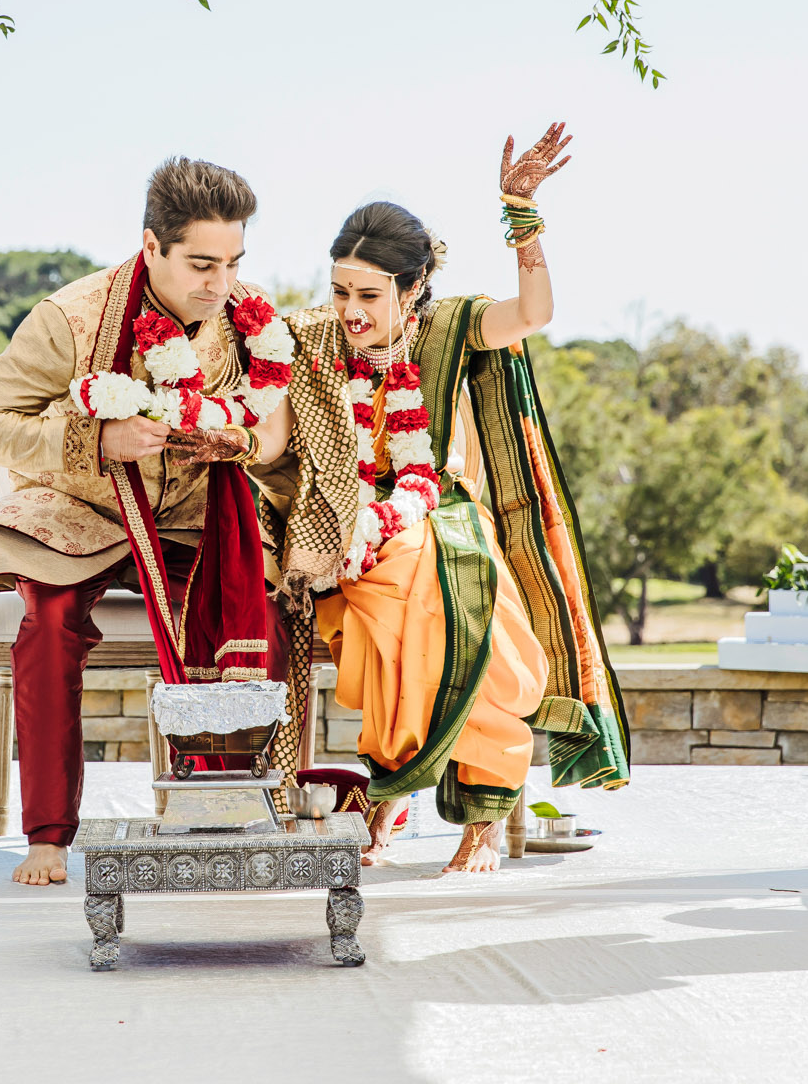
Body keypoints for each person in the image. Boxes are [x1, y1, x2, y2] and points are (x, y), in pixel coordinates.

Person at [265, 124, 630, 873]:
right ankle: (393, 788)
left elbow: (532, 314)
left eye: (369, 295)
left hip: (444, 516)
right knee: (386, 586)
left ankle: (476, 821)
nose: (351, 311)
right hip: (342, 522)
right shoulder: (308, 338)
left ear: (412, 289)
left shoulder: (452, 325)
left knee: (451, 597)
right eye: (339, 291)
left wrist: (520, 212)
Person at [0, 157, 293, 887]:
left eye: (234, 262)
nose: (221, 283)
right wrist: (93, 440)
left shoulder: (251, 320)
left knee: (257, 604)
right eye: (202, 264)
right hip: (82, 508)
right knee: (47, 617)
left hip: (193, 518)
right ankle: (48, 834)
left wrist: (239, 441)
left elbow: (277, 429)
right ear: (151, 246)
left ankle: (228, 812)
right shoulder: (68, 317)